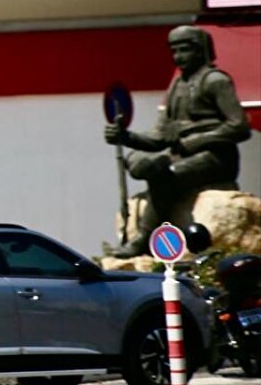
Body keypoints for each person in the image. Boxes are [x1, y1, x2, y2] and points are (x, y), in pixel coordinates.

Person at [104, 25, 252, 257]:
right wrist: (126, 136)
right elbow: (161, 135)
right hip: (181, 155)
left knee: (164, 177)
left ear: (200, 50)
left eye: (184, 51)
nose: (178, 57)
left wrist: (198, 141)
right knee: (146, 164)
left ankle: (144, 238)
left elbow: (239, 127)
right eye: (174, 51)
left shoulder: (215, 81)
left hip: (215, 158)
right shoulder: (177, 85)